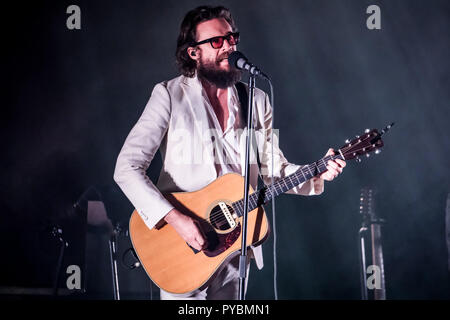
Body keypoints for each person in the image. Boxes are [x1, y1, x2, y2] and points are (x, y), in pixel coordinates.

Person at [113, 5, 346, 300]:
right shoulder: (170, 95)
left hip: (236, 249)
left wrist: (318, 171)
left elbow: (273, 171)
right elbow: (127, 167)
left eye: (232, 38)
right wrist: (176, 219)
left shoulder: (257, 100)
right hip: (181, 250)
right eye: (217, 41)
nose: (229, 47)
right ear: (192, 52)